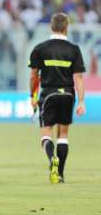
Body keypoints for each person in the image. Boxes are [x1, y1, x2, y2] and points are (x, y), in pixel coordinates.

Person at [29, 12, 86, 183]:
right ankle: (60, 174)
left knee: (46, 134)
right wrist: (82, 101)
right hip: (68, 94)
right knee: (63, 135)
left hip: (48, 94)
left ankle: (51, 158)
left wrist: (32, 95)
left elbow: (33, 76)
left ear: (51, 27)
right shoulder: (74, 50)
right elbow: (78, 78)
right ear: (66, 27)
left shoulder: (40, 48)